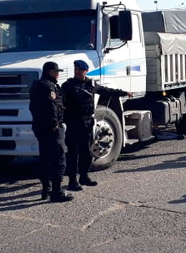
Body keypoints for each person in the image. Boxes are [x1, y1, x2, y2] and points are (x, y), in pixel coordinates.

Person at [61, 60, 131, 190]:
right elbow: (61, 103)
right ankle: (72, 180)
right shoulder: (68, 85)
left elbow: (107, 91)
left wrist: (124, 93)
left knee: (86, 151)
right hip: (74, 122)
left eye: (80, 69)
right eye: (76, 69)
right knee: (73, 152)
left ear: (86, 70)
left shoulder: (91, 84)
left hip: (87, 122)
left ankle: (84, 176)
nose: (77, 72)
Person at [29, 61, 73, 202]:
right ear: (50, 72)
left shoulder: (36, 85)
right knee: (59, 160)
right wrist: (54, 123)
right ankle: (57, 192)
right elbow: (52, 106)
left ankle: (46, 189)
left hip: (39, 126)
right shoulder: (49, 87)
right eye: (56, 72)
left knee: (45, 158)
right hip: (51, 128)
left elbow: (32, 107)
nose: (58, 74)